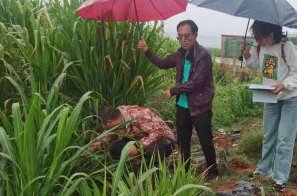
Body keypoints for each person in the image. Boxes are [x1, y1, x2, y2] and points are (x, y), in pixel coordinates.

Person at [137, 20, 218, 179]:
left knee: (205, 140)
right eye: (180, 37)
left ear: (195, 35)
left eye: (186, 36)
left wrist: (173, 90)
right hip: (183, 105)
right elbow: (162, 63)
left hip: (200, 106)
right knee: (183, 142)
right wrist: (147, 51)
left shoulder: (203, 56)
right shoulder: (180, 54)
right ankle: (185, 172)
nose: (183, 40)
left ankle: (213, 172)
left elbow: (195, 83)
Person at [241, 20, 297, 191]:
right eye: (256, 38)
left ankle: (279, 178)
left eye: (260, 37)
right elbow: (256, 66)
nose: (258, 41)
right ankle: (263, 171)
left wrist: (284, 85)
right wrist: (247, 54)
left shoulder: (288, 47)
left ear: (271, 33)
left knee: (284, 139)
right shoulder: (259, 46)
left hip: (290, 97)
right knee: (268, 136)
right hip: (270, 96)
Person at [90, 105, 176, 162]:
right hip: (138, 139)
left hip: (162, 138)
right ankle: (135, 165)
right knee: (115, 148)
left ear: (109, 122)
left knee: (152, 151)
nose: (103, 129)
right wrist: (89, 149)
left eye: (102, 126)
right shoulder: (116, 118)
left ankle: (155, 172)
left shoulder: (139, 115)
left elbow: (157, 132)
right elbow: (106, 137)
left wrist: (138, 147)